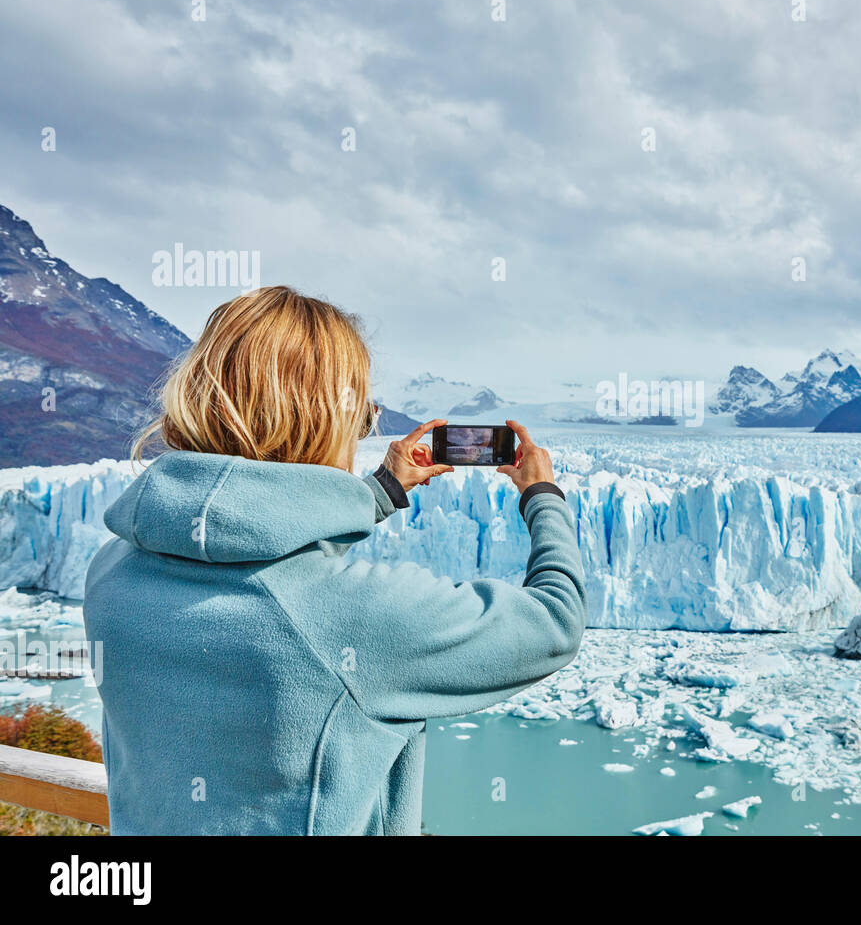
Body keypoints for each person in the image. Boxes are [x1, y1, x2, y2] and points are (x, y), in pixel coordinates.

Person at [82, 285, 586, 835]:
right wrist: (543, 497)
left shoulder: (111, 573)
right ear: (323, 420)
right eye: (361, 415)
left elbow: (257, 556)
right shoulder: (358, 617)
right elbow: (553, 623)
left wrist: (383, 491)